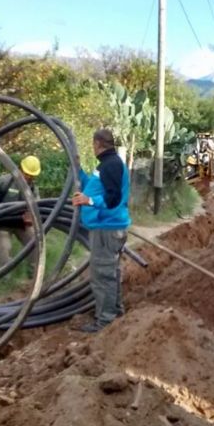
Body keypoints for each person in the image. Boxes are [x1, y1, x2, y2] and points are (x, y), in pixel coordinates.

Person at [71, 128, 131, 333]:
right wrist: (78, 171)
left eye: (92, 144)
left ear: (97, 143)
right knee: (109, 273)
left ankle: (105, 322)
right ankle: (115, 312)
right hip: (107, 227)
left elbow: (112, 199)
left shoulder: (111, 165)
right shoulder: (106, 165)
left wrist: (90, 200)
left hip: (108, 228)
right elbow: (96, 187)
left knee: (102, 275)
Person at [0, 155, 41, 277]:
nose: (29, 177)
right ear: (20, 169)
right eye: (27, 174)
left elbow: (37, 207)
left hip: (21, 223)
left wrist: (31, 217)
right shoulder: (4, 181)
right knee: (4, 248)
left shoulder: (33, 189)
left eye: (32, 175)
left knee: (35, 243)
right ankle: (5, 278)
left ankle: (34, 276)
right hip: (2, 223)